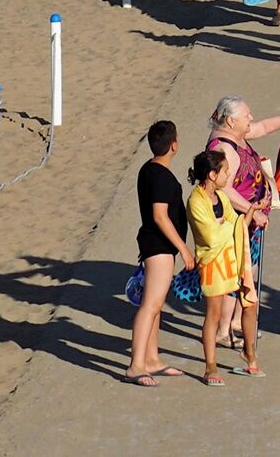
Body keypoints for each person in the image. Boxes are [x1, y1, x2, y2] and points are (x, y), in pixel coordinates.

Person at [203, 94, 280, 346]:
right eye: (246, 116)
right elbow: (225, 190)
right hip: (237, 222)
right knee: (237, 275)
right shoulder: (223, 148)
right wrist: (254, 211)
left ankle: (235, 322)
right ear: (231, 121)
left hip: (250, 223)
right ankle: (223, 331)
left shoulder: (235, 135)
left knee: (248, 271)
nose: (251, 118)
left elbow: (262, 127)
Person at [127, 119, 192, 386]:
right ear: (174, 145)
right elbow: (160, 216)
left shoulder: (148, 169)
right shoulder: (163, 177)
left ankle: (152, 359)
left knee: (155, 304)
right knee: (150, 305)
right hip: (159, 246)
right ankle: (135, 365)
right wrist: (184, 249)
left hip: (155, 245)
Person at [186, 149, 258, 385]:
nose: (229, 175)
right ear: (212, 174)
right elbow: (211, 236)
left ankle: (251, 358)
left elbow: (236, 223)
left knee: (249, 305)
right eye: (225, 171)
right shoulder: (196, 201)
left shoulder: (222, 197)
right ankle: (210, 366)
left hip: (233, 260)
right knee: (214, 315)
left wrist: (249, 213)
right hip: (213, 265)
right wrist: (230, 224)